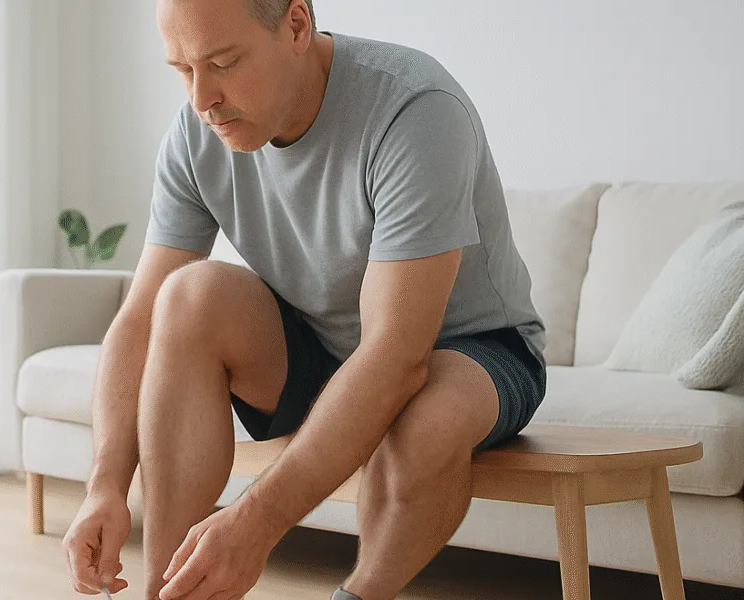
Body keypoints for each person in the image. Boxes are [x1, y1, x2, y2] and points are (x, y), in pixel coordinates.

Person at [61, 0, 547, 598]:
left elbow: (397, 356)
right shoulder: (197, 133)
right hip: (323, 348)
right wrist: (104, 485)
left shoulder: (415, 110)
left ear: (296, 25)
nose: (201, 99)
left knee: (427, 419)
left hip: (470, 350)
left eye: (223, 62)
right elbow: (138, 321)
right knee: (187, 295)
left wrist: (256, 522)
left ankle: (360, 594)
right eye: (183, 70)